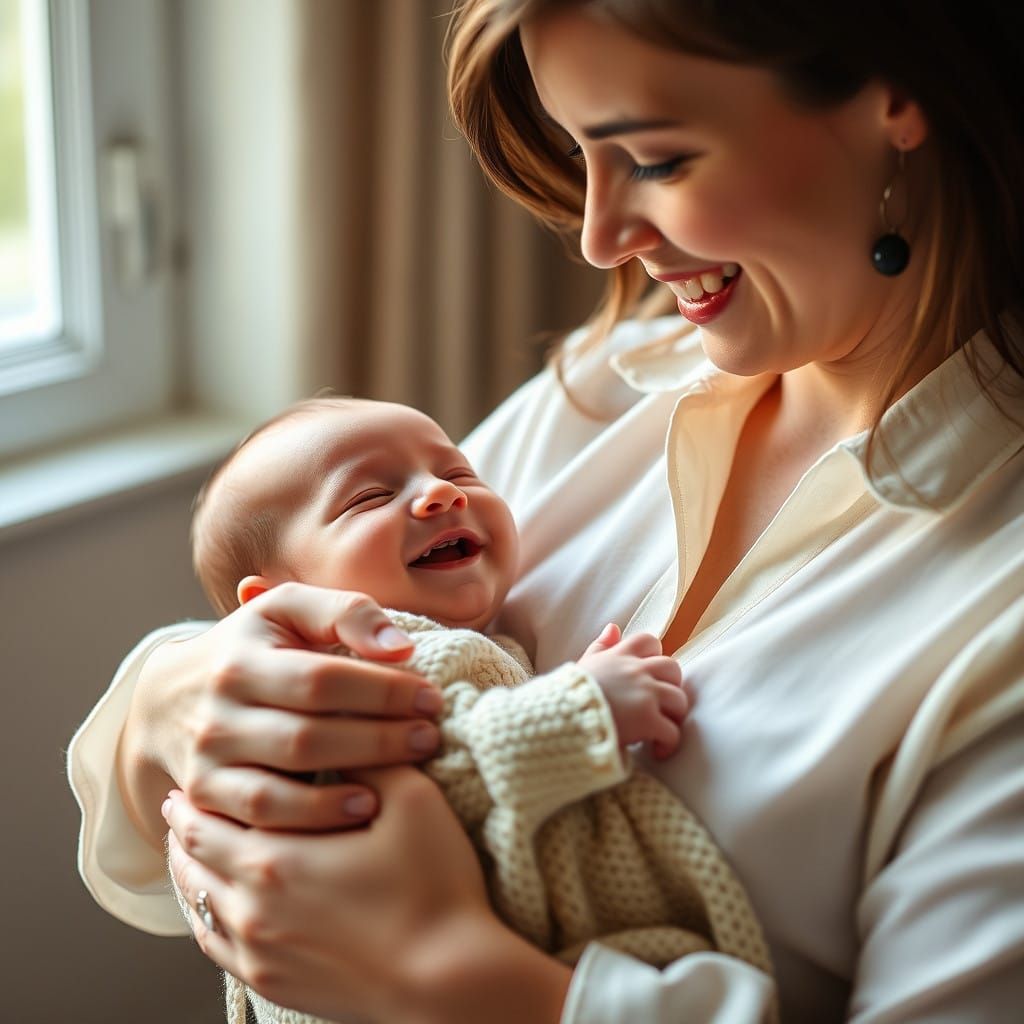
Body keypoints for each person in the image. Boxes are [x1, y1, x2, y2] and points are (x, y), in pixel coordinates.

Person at [67, 1, 1024, 1021]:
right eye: (578, 153)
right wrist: (167, 705)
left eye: (653, 160)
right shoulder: (604, 391)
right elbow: (315, 618)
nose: (600, 240)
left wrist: (443, 977)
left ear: (895, 99)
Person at [182, 393, 771, 1024]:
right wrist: (580, 706)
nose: (441, 494)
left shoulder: (471, 646)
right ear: (278, 600)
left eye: (459, 472)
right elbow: (434, 766)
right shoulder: (341, 675)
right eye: (369, 498)